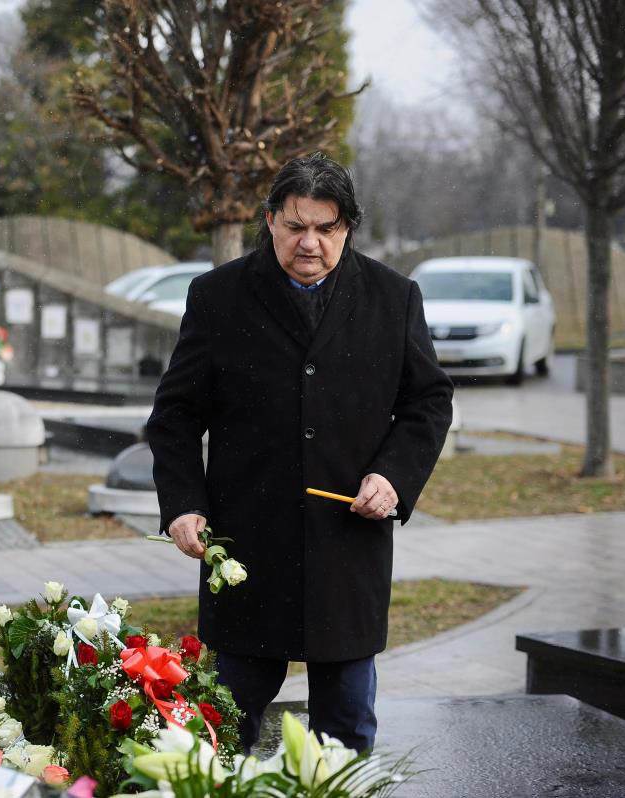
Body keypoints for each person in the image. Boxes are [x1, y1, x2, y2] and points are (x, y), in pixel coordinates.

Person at [145, 153, 453, 753]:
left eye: (326, 228)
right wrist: (182, 503)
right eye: (294, 225)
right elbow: (176, 415)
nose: (309, 243)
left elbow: (428, 402)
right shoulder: (218, 296)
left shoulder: (394, 299)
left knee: (345, 739)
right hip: (248, 548)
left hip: (348, 548)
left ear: (348, 230)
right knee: (218, 736)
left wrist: (393, 477)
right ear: (269, 221)